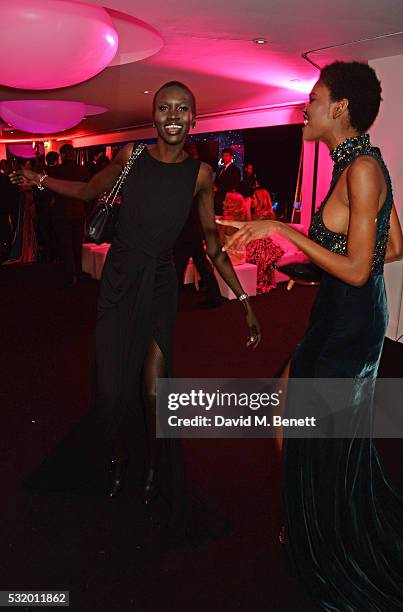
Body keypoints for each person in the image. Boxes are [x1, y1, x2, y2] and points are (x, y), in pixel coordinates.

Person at [11, 81, 261, 543]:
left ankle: (152, 468)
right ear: (153, 115)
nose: (172, 115)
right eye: (164, 107)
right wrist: (39, 179)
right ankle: (118, 458)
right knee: (111, 390)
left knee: (152, 390)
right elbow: (88, 191)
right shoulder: (130, 157)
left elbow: (212, 246)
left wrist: (244, 302)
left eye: (182, 108)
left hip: (161, 286)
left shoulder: (201, 175)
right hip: (121, 281)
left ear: (193, 117)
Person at [217, 61, 403, 610]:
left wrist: (283, 229)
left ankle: (325, 540)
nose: (307, 104)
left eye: (315, 95)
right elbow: (390, 248)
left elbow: (361, 267)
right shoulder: (355, 164)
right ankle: (310, 522)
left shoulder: (364, 169)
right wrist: (305, 264)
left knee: (307, 423)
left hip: (350, 323)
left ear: (340, 108)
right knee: (289, 410)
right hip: (338, 312)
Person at [173, 141, 222, 307]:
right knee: (201, 265)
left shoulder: (185, 174)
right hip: (194, 227)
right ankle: (215, 298)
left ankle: (170, 303)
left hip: (187, 228)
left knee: (178, 267)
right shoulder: (200, 171)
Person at [48, 144, 90, 287]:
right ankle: (79, 272)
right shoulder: (83, 170)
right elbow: (89, 193)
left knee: (65, 245)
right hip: (79, 212)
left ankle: (70, 275)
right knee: (77, 245)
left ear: (63, 155)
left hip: (61, 213)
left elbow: (50, 191)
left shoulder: (56, 171)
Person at [245, 189, 284, 293]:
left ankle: (259, 283)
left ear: (260, 200)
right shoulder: (257, 213)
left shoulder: (266, 214)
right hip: (256, 241)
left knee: (257, 256)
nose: (252, 200)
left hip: (263, 243)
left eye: (254, 198)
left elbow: (251, 227)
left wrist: (247, 208)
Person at [214, 147, 241, 215]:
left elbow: (235, 185)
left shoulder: (235, 169)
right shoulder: (220, 169)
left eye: (226, 155)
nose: (224, 157)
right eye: (223, 155)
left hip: (226, 200)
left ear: (231, 157)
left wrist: (218, 189)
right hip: (217, 198)